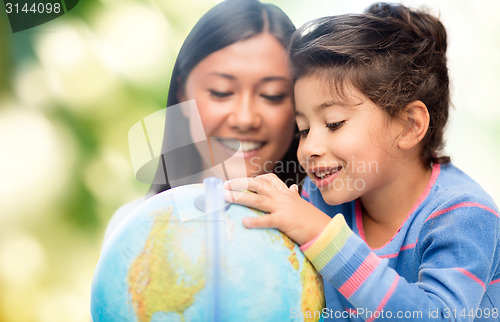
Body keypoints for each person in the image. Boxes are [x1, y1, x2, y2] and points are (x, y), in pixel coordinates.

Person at [225, 3, 500, 320]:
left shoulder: (462, 215)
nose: (309, 147)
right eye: (302, 129)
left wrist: (323, 236)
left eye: (334, 123)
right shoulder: (319, 201)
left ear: (409, 125)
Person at [104, 0, 304, 241]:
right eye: (221, 92)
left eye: (272, 95)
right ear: (182, 93)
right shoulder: (134, 227)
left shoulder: (325, 227)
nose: (245, 118)